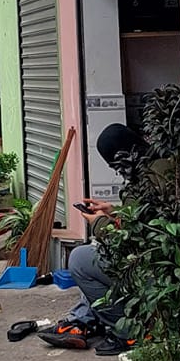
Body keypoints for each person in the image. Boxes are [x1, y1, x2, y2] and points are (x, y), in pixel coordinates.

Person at [65, 122, 142, 329]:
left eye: (116, 166)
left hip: (147, 271)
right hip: (146, 265)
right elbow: (141, 218)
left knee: (80, 260)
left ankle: (127, 331)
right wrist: (114, 211)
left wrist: (98, 223)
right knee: (93, 255)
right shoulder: (151, 169)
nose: (118, 172)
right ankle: (81, 319)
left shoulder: (148, 180)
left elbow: (128, 240)